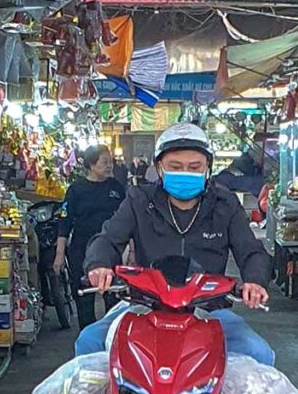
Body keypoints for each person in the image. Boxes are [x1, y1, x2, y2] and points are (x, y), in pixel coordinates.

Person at [78, 122, 273, 367]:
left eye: (194, 167)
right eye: (175, 167)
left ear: (207, 169)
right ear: (159, 168)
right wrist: (99, 265)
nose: (185, 173)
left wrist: (255, 280)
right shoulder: (139, 200)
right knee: (89, 342)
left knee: (259, 353)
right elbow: (107, 239)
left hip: (208, 311)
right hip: (144, 307)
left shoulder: (225, 204)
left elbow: (251, 250)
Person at [54, 145, 126, 330]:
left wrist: (132, 249)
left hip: (111, 250)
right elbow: (65, 222)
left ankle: (113, 338)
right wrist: (59, 254)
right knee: (84, 296)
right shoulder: (76, 189)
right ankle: (87, 342)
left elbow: (129, 219)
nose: (110, 166)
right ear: (91, 165)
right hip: (81, 249)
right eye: (105, 162)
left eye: (111, 162)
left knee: (114, 297)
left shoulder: (116, 188)